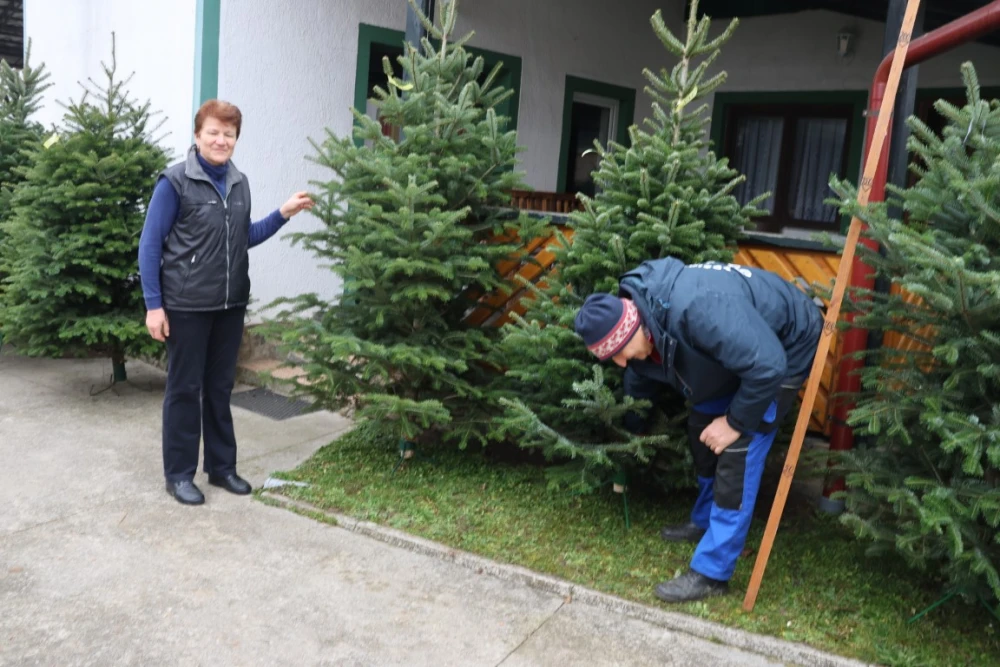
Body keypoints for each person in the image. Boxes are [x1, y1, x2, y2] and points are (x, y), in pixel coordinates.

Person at [573, 257, 823, 603]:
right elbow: (638, 377)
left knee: (740, 450)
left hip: (787, 345)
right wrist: (632, 432)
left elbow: (767, 366)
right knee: (701, 428)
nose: (618, 362)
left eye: (618, 352)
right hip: (743, 350)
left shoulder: (698, 309)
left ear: (633, 328)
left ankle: (712, 572)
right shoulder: (647, 322)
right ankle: (704, 520)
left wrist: (735, 423)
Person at [138, 99, 314, 506]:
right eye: (213, 132)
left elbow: (244, 237)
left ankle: (221, 468)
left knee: (220, 388)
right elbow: (150, 245)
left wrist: (282, 214)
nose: (221, 140)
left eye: (229, 134)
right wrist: (154, 305)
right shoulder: (175, 182)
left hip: (229, 306)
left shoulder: (239, 182)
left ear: (236, 139)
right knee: (184, 389)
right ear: (198, 135)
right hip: (186, 306)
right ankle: (179, 475)